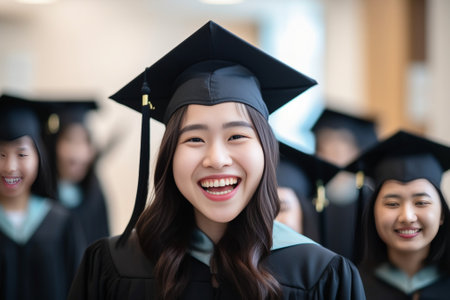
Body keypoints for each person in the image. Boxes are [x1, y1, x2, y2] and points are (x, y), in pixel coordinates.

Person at [67, 21, 366, 300]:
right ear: (169, 154)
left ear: (266, 149)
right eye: (194, 139)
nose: (217, 159)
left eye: (236, 136)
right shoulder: (113, 265)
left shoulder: (320, 274)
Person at [0, 94, 86, 300]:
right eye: (0, 154)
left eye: (22, 154)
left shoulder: (60, 222)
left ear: (39, 156)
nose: (10, 167)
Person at [347, 130, 450, 299]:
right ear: (373, 213)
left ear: (442, 215)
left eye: (421, 203)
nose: (407, 217)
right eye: (392, 204)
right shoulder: (352, 289)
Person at [311, 107, 378, 261]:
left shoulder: (372, 200)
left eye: (340, 143)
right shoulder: (310, 199)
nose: (331, 151)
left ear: (356, 149)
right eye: (324, 144)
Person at [41, 100, 110, 245]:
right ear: (54, 145)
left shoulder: (95, 193)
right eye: (70, 140)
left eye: (84, 141)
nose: (78, 152)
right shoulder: (40, 197)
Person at [276, 140, 341, 243]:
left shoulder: (326, 259)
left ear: (302, 212)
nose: (273, 222)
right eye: (262, 212)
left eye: (282, 209)